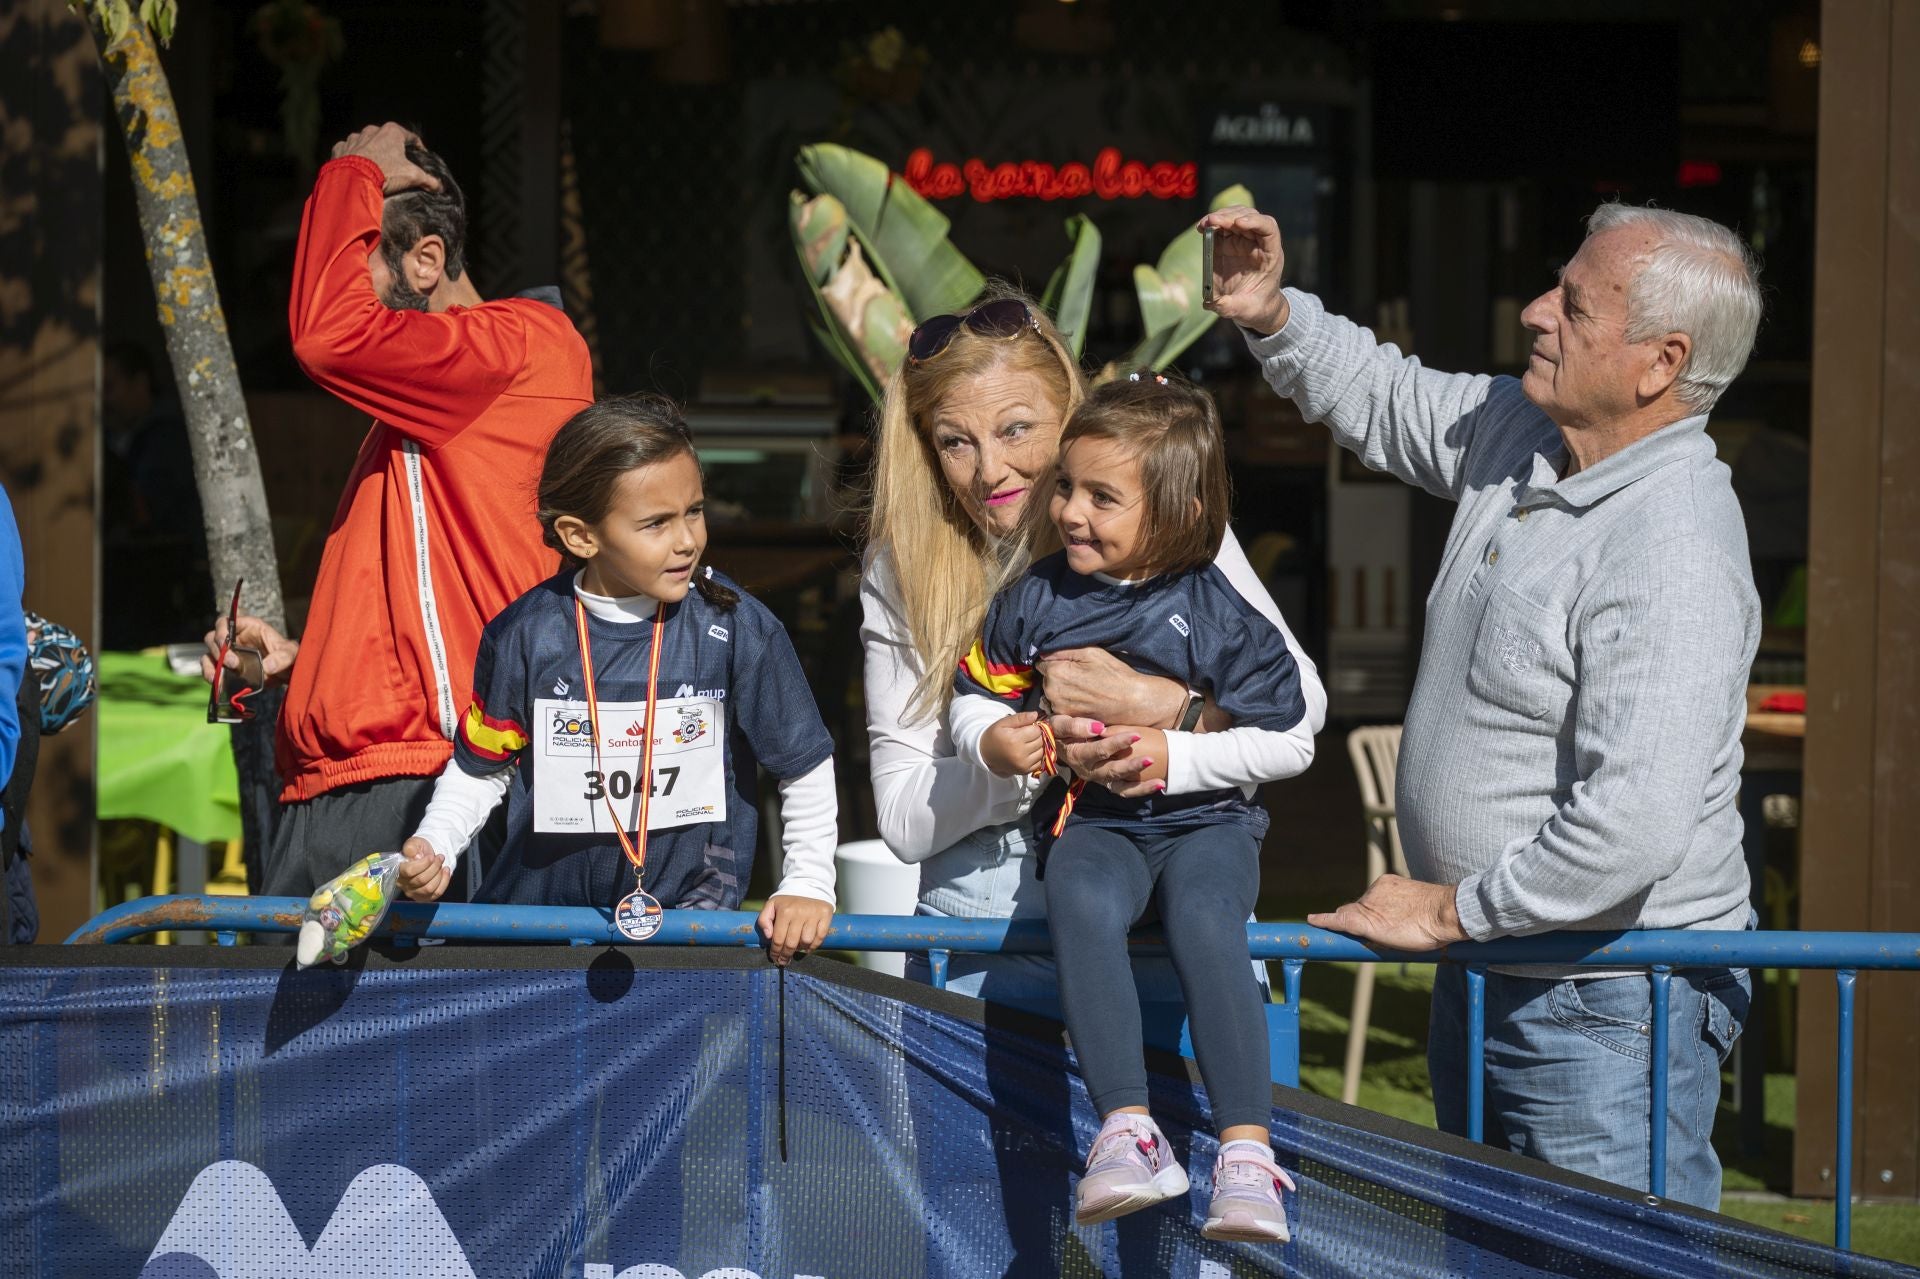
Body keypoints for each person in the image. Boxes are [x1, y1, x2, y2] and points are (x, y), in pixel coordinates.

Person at [1201, 200, 1764, 1209]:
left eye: (1576, 305)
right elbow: (1388, 393)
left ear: (1658, 362)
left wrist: (1454, 911)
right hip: (1515, 971)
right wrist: (1273, 312)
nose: (1538, 313)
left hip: (1609, 1002)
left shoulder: (1671, 544)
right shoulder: (1529, 433)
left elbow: (1629, 829)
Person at [860, 289, 1326, 1003]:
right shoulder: (903, 564)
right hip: (988, 934)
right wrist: (1035, 751)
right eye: (956, 441)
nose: (990, 471)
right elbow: (901, 816)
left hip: (1168, 917)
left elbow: (1301, 707)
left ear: (1070, 416)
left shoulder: (1160, 522)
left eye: (1016, 429)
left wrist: (1168, 707)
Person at [951, 375, 1308, 1242]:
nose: (1071, 510)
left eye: (1102, 497)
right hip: (1096, 825)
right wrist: (994, 739)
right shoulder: (1035, 595)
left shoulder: (1218, 608)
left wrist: (1178, 747)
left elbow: (1291, 736)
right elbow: (974, 690)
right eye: (1067, 485)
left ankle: (1248, 1156)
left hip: (1207, 827)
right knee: (1078, 899)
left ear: (1179, 509)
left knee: (1204, 916)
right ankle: (1126, 1129)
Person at [203, 122, 593, 898]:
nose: (339, 277)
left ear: (426, 262)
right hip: (365, 783)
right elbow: (422, 590)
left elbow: (325, 337)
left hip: (427, 786)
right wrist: (304, 659)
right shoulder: (429, 405)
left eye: (358, 256)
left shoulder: (519, 341)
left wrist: (352, 170)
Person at [398, 397, 837, 965]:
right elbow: (481, 768)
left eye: (695, 511)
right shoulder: (526, 634)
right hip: (538, 936)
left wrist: (806, 882)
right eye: (656, 523)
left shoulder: (734, 624)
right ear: (581, 537)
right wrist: (436, 845)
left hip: (687, 934)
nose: (686, 540)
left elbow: (802, 763)